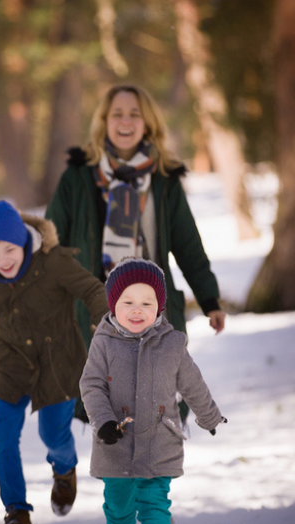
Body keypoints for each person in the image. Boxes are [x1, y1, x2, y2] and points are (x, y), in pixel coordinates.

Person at [45, 84, 226, 421]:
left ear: (148, 123)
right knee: (104, 404)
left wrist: (209, 300)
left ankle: (152, 473)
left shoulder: (164, 179)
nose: (125, 121)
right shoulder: (78, 177)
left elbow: (188, 245)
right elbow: (52, 245)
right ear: (104, 121)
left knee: (156, 403)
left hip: (152, 307)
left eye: (134, 114)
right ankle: (111, 472)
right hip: (96, 311)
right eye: (117, 114)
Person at [0, 199, 109, 524]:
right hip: (9, 361)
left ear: (24, 243)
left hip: (58, 359)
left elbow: (93, 290)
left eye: (9, 249)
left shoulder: (54, 263)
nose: (2, 260)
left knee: (53, 433)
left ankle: (64, 470)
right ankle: (17, 517)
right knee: (1, 436)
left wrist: (104, 321)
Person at [80, 258, 225, 524]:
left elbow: (192, 384)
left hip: (159, 439)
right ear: (113, 304)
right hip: (114, 442)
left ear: (159, 307)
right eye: (127, 302)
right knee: (118, 506)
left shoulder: (172, 345)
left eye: (147, 303)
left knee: (155, 501)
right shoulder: (103, 343)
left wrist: (209, 416)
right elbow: (91, 385)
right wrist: (102, 422)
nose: (137, 310)